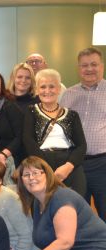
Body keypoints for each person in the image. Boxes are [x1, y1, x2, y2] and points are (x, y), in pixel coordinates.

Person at [22, 68, 87, 197]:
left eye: (52, 86)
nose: (47, 91)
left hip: (70, 164)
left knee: (76, 205)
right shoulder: (31, 111)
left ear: (59, 89)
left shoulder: (72, 115)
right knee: (44, 208)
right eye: (43, 87)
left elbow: (82, 146)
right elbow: (28, 140)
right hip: (41, 165)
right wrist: (47, 168)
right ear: (37, 90)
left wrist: (68, 167)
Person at [60, 47, 106, 223]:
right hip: (75, 164)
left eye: (93, 64)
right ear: (78, 68)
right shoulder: (68, 94)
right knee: (78, 212)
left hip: (103, 164)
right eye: (84, 65)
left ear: (101, 66)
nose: (89, 69)